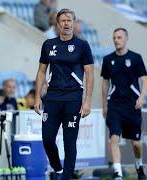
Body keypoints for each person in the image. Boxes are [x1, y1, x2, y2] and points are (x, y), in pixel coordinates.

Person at [34, 9, 94, 179]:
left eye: (69, 20)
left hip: (73, 99)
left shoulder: (83, 46)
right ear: (57, 24)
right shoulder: (48, 44)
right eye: (63, 21)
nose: (66, 23)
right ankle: (58, 169)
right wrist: (38, 96)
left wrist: (87, 100)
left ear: (74, 23)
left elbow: (89, 74)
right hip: (52, 98)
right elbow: (41, 72)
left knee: (69, 142)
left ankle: (66, 177)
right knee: (47, 139)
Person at [101, 28, 147, 179]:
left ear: (126, 38)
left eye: (119, 37)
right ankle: (118, 173)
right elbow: (105, 83)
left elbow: (144, 80)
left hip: (132, 106)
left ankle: (139, 164)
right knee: (114, 138)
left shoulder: (136, 58)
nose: (116, 40)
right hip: (114, 105)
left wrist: (141, 97)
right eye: (114, 37)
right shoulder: (108, 60)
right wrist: (104, 105)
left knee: (136, 144)